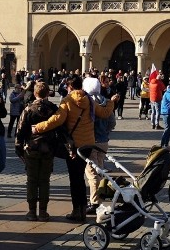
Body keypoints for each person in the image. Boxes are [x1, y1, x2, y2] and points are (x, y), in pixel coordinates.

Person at [32, 75, 117, 222]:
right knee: (80, 178)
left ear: (70, 87)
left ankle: (77, 211)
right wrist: (110, 102)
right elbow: (104, 113)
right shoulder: (89, 100)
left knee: (75, 179)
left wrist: (38, 128)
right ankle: (82, 210)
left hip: (74, 146)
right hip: (88, 145)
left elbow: (57, 120)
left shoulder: (68, 101)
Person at [15, 81, 59, 220]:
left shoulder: (28, 109)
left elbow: (20, 129)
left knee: (32, 180)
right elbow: (59, 128)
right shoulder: (53, 109)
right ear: (48, 94)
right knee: (45, 180)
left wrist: (18, 147)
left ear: (34, 93)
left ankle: (32, 211)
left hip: (31, 149)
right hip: (48, 149)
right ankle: (43, 211)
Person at [82, 77, 117, 215]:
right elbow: (112, 122)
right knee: (100, 169)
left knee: (92, 173)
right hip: (103, 141)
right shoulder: (105, 101)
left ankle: (95, 202)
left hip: (91, 141)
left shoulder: (88, 103)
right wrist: (105, 131)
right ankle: (99, 197)